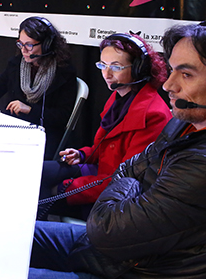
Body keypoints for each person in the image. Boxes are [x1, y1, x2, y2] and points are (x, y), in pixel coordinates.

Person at [29, 18, 206, 279]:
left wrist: (126, 178)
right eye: (172, 70)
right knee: (5, 232)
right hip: (124, 252)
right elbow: (132, 168)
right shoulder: (191, 121)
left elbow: (106, 227)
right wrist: (118, 172)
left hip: (134, 267)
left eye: (186, 74)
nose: (168, 85)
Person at [38, 33, 171, 220]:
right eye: (103, 65)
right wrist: (82, 154)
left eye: (116, 67)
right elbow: (105, 147)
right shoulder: (119, 95)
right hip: (101, 173)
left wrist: (64, 188)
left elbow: (123, 180)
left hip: (115, 197)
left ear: (139, 69)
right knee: (35, 172)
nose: (107, 74)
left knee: (37, 194)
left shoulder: (154, 115)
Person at [0, 17, 77, 160]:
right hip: (15, 126)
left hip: (44, 135)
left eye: (29, 45)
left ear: (47, 45)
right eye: (20, 44)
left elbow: (62, 117)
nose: (23, 50)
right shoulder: (16, 64)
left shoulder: (64, 72)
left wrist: (29, 109)